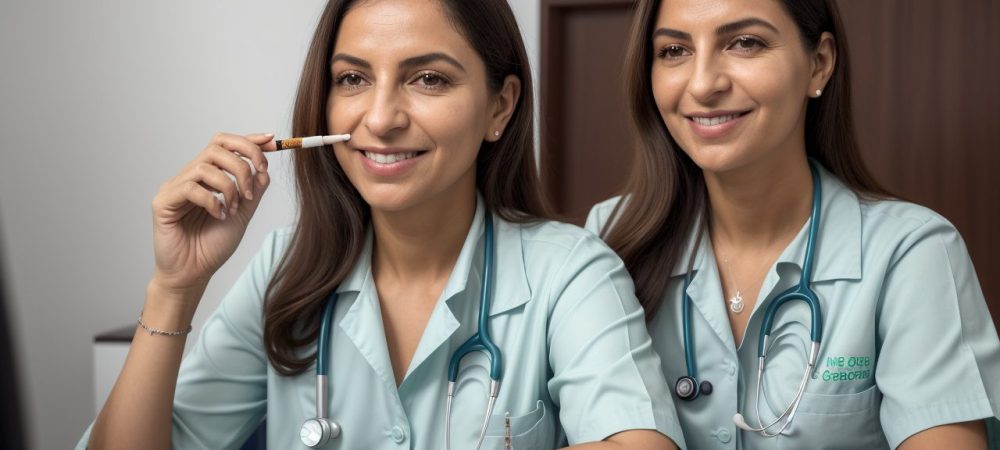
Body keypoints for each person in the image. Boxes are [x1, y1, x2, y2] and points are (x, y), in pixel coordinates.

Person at [77, 0, 686, 449]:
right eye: (353, 79)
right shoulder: (284, 269)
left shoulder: (569, 270)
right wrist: (174, 287)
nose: (381, 117)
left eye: (428, 79)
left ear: (499, 106)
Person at [586, 0, 1000, 449]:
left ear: (819, 64)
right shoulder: (609, 238)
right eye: (674, 51)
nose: (703, 84)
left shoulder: (911, 252)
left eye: (745, 43)